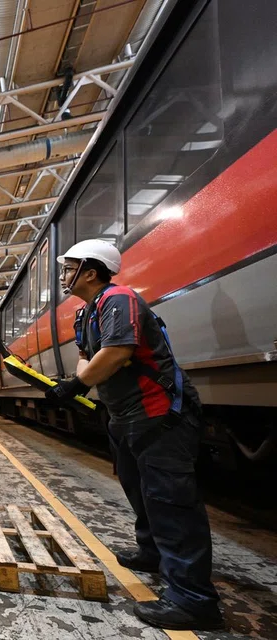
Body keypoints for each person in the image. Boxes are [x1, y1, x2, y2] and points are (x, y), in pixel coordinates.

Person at [46, 238, 222, 631]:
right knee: (139, 490)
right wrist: (75, 381)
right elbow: (87, 358)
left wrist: (75, 388)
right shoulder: (84, 314)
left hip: (158, 413)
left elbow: (119, 352)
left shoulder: (118, 298)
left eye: (69, 266)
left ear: (90, 272)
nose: (63, 274)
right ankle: (152, 552)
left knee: (171, 502)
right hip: (124, 416)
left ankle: (194, 601)